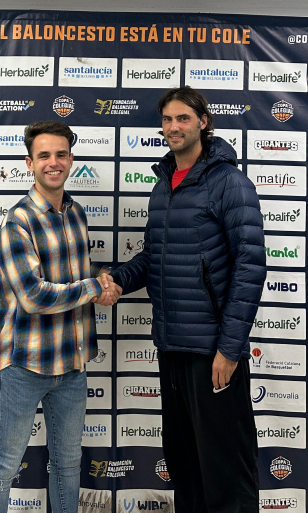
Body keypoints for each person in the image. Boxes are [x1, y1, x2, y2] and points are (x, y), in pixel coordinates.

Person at [108, 87, 266, 513]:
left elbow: (250, 268)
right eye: (167, 119)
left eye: (183, 118)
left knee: (226, 471)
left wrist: (229, 350)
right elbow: (153, 258)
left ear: (203, 122)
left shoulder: (229, 183)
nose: (173, 127)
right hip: (172, 348)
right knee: (186, 466)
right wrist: (115, 281)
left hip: (213, 352)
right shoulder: (164, 186)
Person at [0, 120, 119, 513]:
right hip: (23, 365)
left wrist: (102, 279)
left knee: (68, 465)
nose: (53, 162)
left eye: (61, 154)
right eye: (44, 155)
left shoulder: (76, 214)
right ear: (30, 163)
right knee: (3, 467)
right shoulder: (17, 222)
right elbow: (33, 296)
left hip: (71, 365)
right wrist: (94, 288)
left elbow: (74, 275)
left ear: (71, 159)